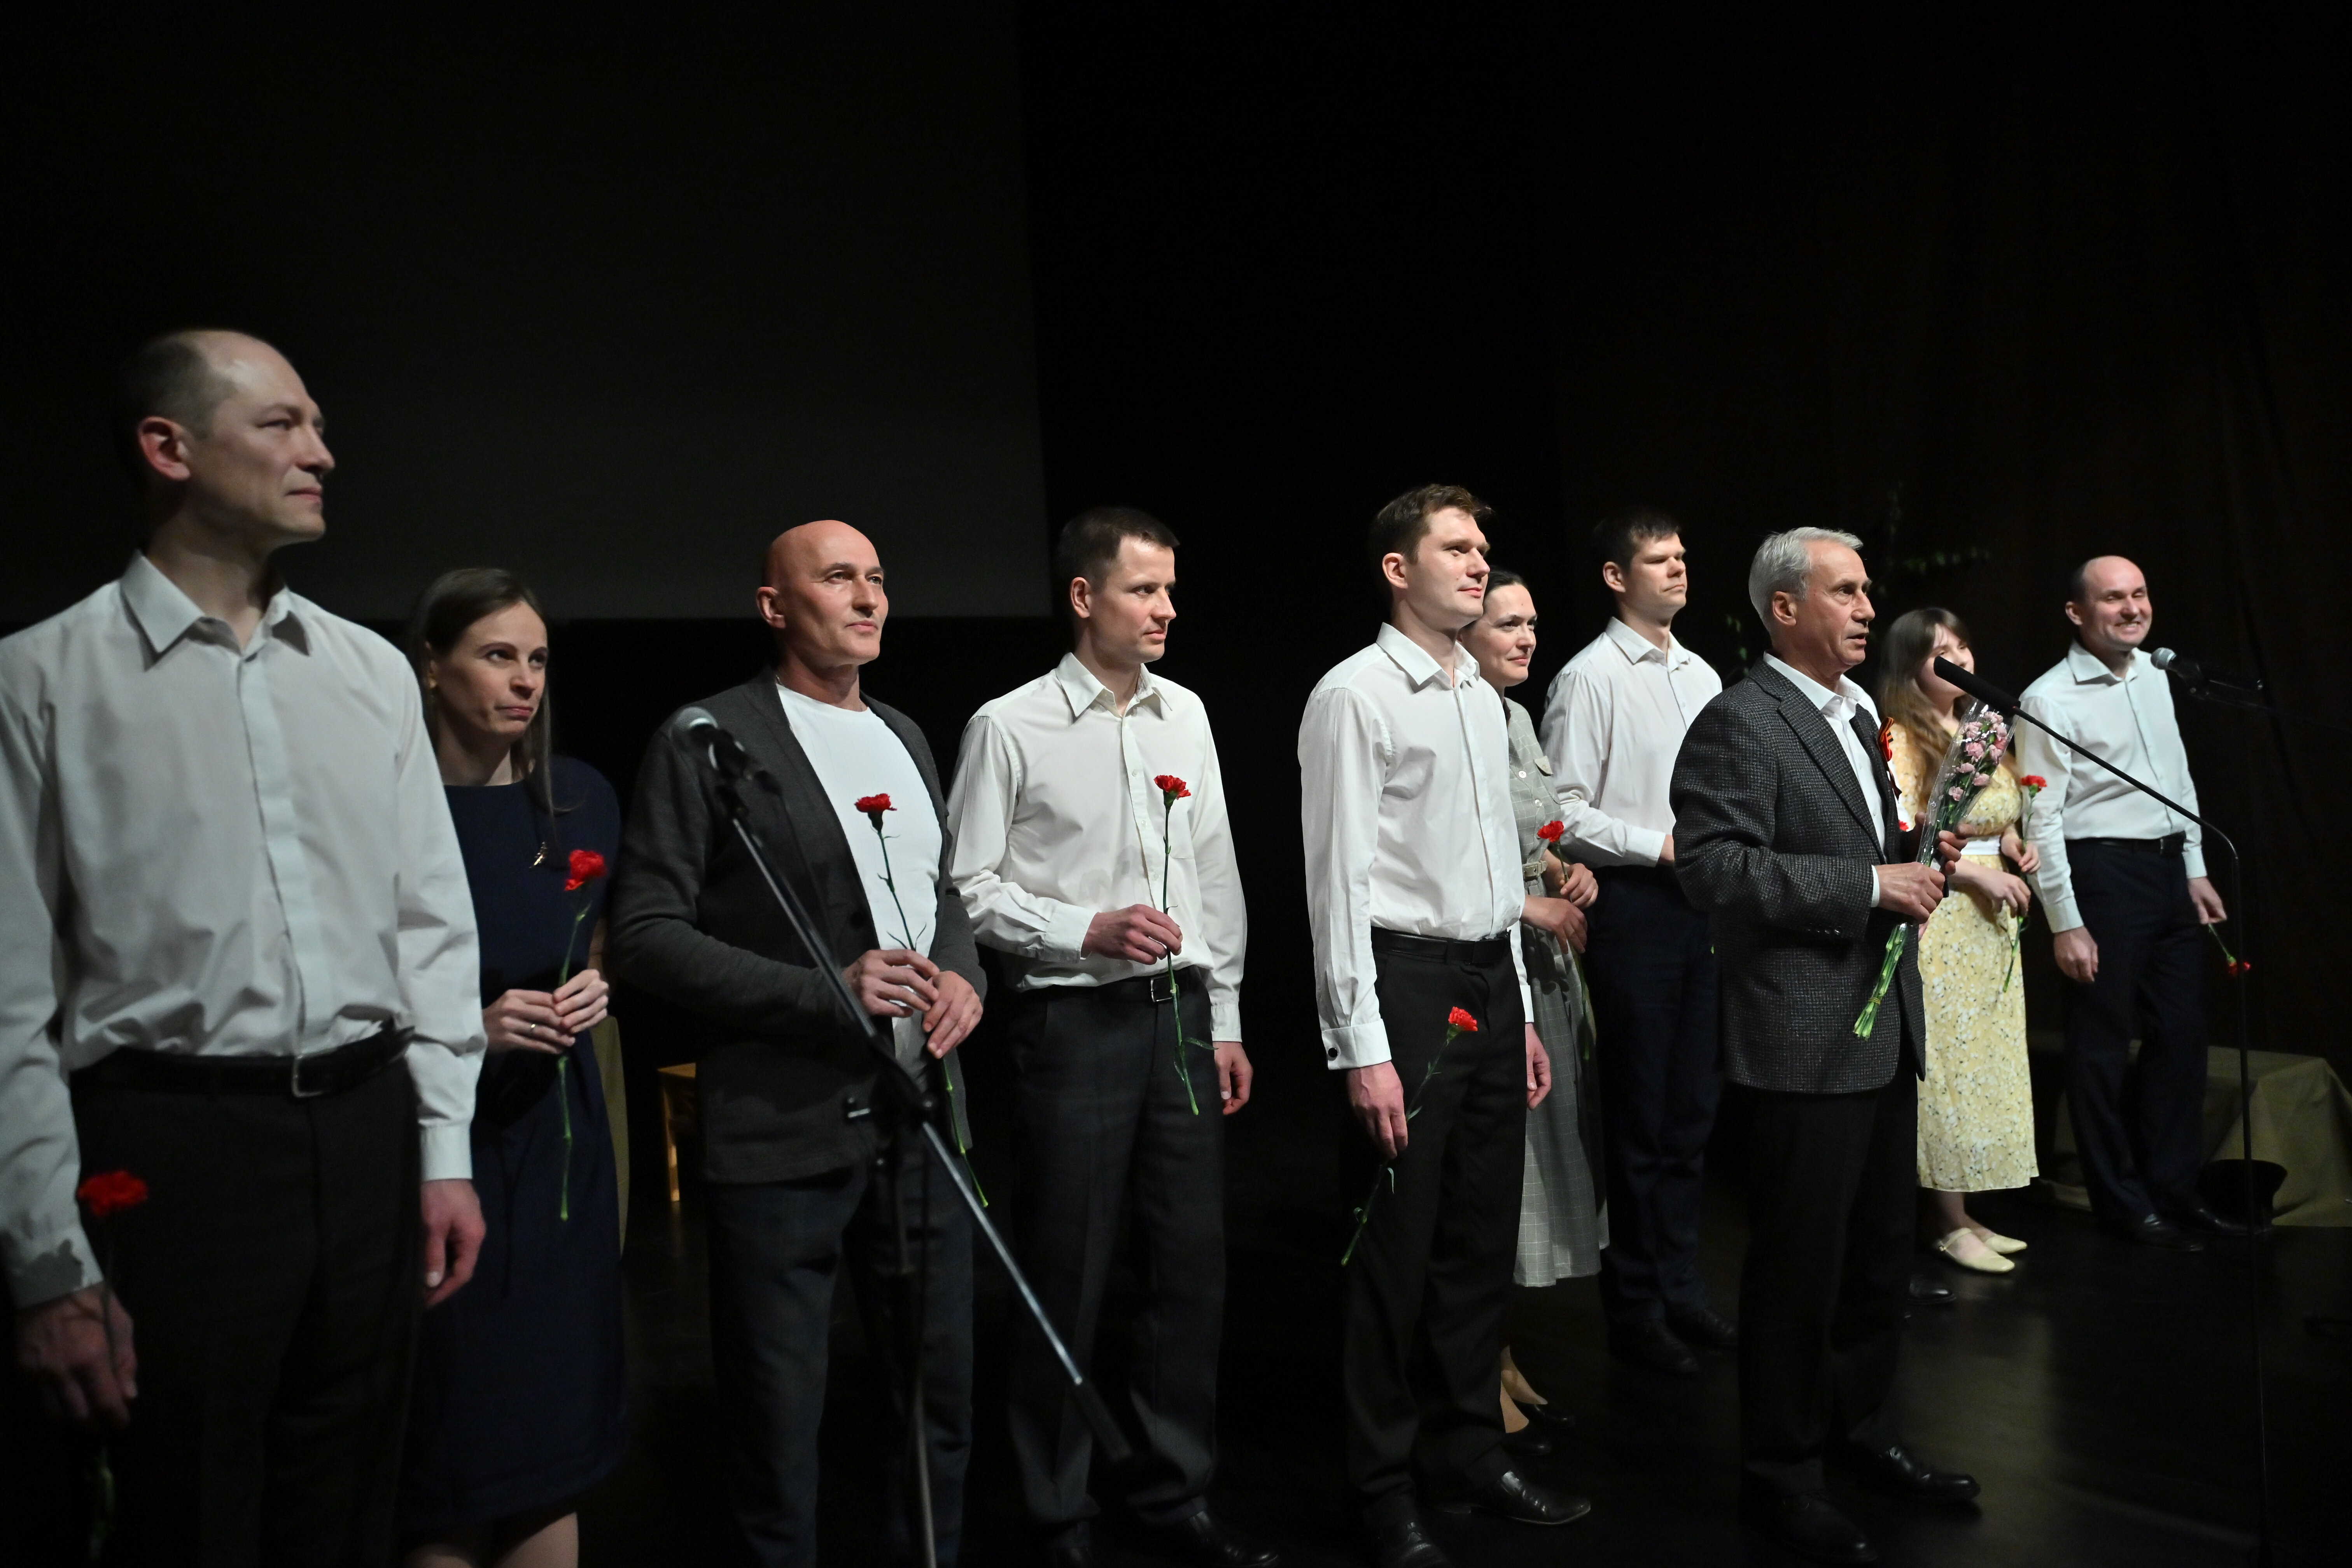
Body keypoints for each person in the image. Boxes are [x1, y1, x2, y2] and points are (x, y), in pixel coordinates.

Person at [0, 329, 487, 1563]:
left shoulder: (370, 672)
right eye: (282, 424)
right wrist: (48, 1262)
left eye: (318, 423)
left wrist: (442, 1149)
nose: (322, 452)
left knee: (350, 1506)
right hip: (175, 1151)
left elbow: (431, 927)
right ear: (168, 448)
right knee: (189, 1515)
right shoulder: (41, 680)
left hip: (368, 1138)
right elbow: (9, 997)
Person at [608, 520, 984, 1568]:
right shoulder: (708, 739)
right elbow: (645, 934)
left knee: (936, 1408)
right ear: (775, 606)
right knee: (777, 1424)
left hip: (920, 1128)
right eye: (838, 578)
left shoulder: (904, 734)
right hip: (783, 1131)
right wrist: (826, 993)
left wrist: (965, 974)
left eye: (878, 579)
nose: (868, 598)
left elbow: (941, 894)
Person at [946, 507, 1272, 1568]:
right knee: (1068, 1270)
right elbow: (967, 888)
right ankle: (1056, 1512)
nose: (1166, 609)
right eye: (1144, 590)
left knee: (1188, 1269)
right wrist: (1081, 928)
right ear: (1085, 598)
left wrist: (1225, 1015)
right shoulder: (1011, 725)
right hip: (1071, 1024)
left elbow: (1215, 870)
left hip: (1179, 1017)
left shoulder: (1188, 715)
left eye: (1170, 590)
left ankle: (1175, 1491)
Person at [1672, 527, 1977, 1566]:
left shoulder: (1856, 716)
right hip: (1801, 1035)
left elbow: (1868, 850)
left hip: (1882, 1027)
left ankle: (1859, 1430)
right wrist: (1866, 886)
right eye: (1844, 592)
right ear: (1785, 608)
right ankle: (1781, 1475)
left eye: (1866, 592)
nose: (1866, 609)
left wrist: (1922, 854)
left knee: (1879, 1260)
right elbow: (1713, 867)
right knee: (1799, 1270)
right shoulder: (1741, 720)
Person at [1300, 485, 1589, 1568]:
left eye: (1482, 549)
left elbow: (1490, 875)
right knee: (1393, 1254)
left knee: (1477, 1242)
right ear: (1397, 569)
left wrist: (1516, 1009)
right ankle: (1379, 1490)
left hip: (1488, 981)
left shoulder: (1477, 696)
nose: (1478, 564)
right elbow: (1337, 886)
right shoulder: (1356, 696)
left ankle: (1469, 1454)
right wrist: (1362, 1047)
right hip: (1407, 986)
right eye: (1457, 549)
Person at [397, 570, 626, 1568]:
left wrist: (594, 986)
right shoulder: (387, 810)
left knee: (551, 1450)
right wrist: (468, 1029)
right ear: (431, 668)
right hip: (443, 1144)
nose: (526, 680)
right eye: (498, 656)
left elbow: (588, 941)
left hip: (558, 1142)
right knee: (453, 1460)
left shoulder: (580, 800)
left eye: (537, 659)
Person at [1539, 509, 1731, 1377]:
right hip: (1636, 907)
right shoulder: (1590, 678)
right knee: (1642, 1113)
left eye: (1683, 556)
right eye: (1659, 560)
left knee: (1691, 1113)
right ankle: (1637, 1306)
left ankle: (1680, 1288)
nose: (1678, 570)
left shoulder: (1701, 672)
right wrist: (1658, 845)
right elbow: (1562, 812)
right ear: (1618, 578)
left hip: (1702, 906)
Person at [2018, 556, 2238, 1251]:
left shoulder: (2154, 673)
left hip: (2168, 870)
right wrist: (2066, 922)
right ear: (2077, 613)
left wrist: (2195, 867)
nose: (2132, 608)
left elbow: (2177, 777)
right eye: (2114, 598)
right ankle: (2120, 1200)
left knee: (2181, 1036)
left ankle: (2175, 1188)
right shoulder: (2049, 698)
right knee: (2102, 1045)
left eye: (2140, 594)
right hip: (2103, 873)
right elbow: (2042, 819)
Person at [1456, 570, 1606, 1435]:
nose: (1525, 639)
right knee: (1497, 1175)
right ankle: (1476, 1362)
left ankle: (1502, 1347)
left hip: (1544, 967)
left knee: (1537, 1170)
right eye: (1507, 624)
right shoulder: (1458, 717)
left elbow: (1532, 833)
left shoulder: (1514, 717)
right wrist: (1527, 901)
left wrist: (1564, 869)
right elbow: (1450, 862)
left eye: (1532, 624)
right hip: (1489, 955)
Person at [1877, 609, 2039, 1276]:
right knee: (1948, 1067)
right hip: (1943, 913)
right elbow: (1909, 832)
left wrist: (2013, 845)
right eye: (1940, 651)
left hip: (1989, 924)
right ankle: (1944, 1221)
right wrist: (1976, 875)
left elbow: (1995, 814)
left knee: (1983, 1064)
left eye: (1964, 646)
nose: (1960, 659)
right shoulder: (1901, 735)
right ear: (1909, 664)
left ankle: (1963, 1210)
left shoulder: (1980, 728)